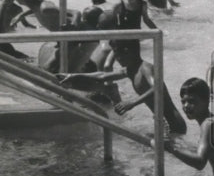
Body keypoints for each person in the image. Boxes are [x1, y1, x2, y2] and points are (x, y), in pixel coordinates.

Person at [59, 40, 187, 134]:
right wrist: (73, 75)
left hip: (173, 124)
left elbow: (158, 88)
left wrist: (132, 103)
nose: (118, 60)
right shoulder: (130, 70)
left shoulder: (146, 68)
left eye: (117, 55)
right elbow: (103, 75)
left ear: (128, 52)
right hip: (162, 122)